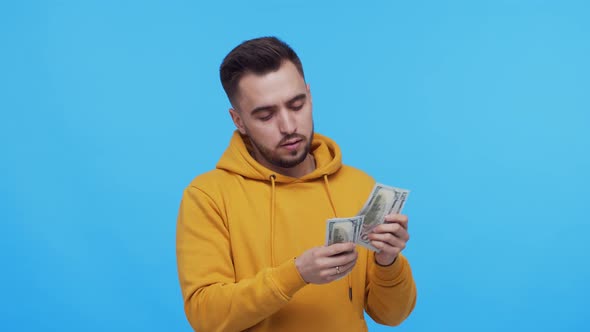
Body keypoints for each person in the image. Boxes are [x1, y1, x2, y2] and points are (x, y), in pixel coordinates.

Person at [176, 36, 417, 332]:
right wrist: (296, 274)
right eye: (266, 115)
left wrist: (388, 261)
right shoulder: (208, 196)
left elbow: (392, 316)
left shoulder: (358, 185)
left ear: (309, 95)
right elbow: (205, 316)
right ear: (238, 120)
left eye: (297, 104)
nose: (288, 127)